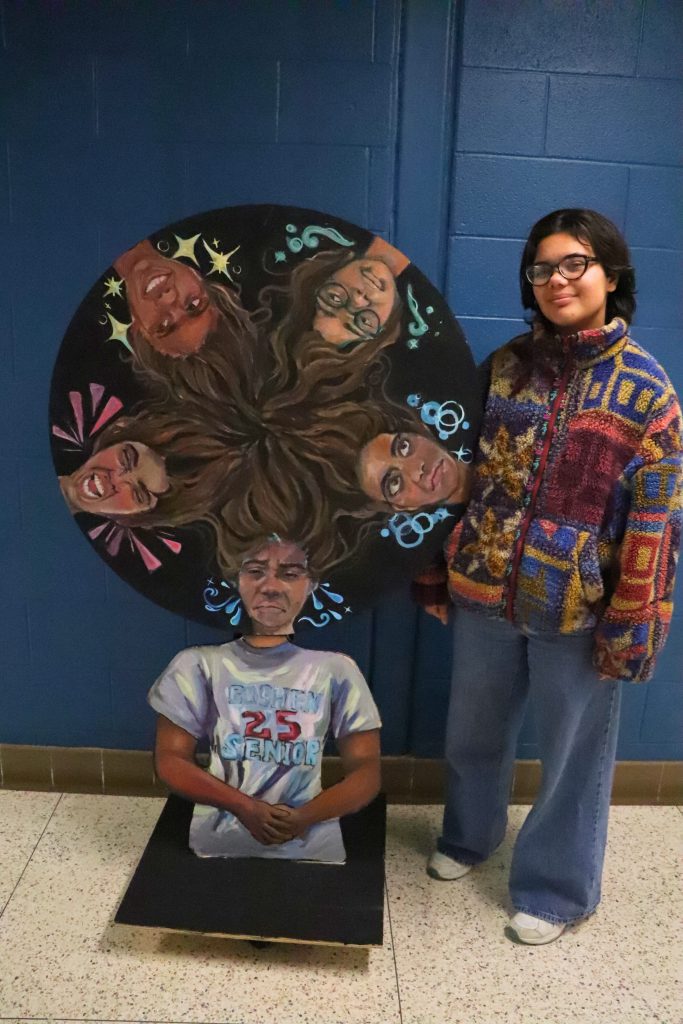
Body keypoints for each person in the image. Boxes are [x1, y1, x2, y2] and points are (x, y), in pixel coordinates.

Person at [414, 210, 682, 944]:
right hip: (482, 591)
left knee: (572, 757)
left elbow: (654, 527)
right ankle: (471, 838)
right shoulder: (502, 368)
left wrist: (630, 625)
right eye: (541, 268)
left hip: (577, 607)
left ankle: (557, 890)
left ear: (611, 276)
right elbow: (453, 477)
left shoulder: (647, 394)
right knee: (471, 731)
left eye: (575, 264)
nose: (557, 280)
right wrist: (436, 573)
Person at [149, 537, 382, 861]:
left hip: (312, 843)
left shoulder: (336, 670)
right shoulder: (197, 665)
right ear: (235, 581)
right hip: (218, 839)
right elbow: (170, 760)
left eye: (289, 573)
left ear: (310, 584)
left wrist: (307, 816)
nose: (270, 586)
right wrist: (242, 806)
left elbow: (367, 770)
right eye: (255, 571)